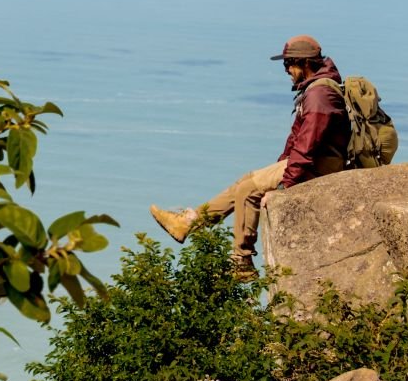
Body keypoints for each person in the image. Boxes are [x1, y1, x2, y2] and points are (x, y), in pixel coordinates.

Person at [149, 34, 351, 279]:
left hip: (323, 165)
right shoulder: (313, 90)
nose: (286, 69)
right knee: (246, 181)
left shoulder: (319, 96)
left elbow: (307, 145)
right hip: (314, 160)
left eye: (289, 63)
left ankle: (242, 261)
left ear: (305, 63)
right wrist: (276, 169)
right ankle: (189, 222)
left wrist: (284, 184)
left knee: (248, 190)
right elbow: (296, 139)